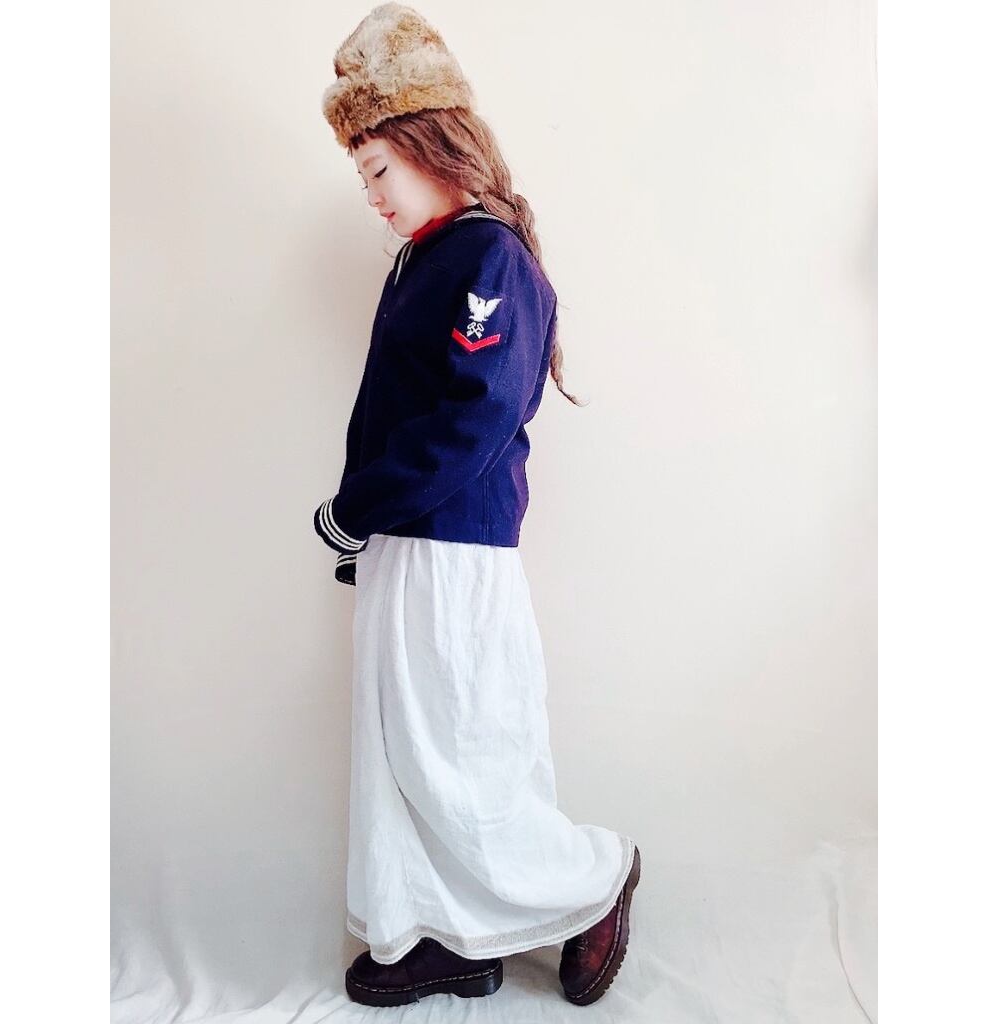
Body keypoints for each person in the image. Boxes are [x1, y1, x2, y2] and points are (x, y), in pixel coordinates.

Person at [315, 2, 641, 1007]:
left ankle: (591, 884)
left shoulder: (487, 256)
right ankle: (432, 931)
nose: (373, 196)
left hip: (453, 548)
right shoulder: (427, 255)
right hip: (405, 540)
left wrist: (356, 505)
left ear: (431, 143)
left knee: (459, 756)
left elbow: (475, 418)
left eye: (379, 170)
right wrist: (365, 524)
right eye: (363, 178)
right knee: (399, 756)